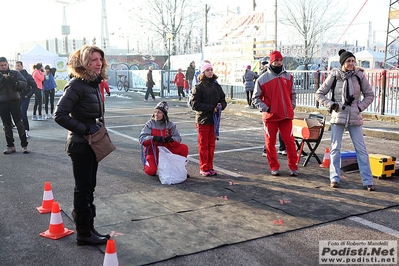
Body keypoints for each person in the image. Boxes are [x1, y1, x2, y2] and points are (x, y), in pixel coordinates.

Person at [54, 45, 110, 246]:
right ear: (84, 62)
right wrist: (86, 129)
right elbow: (59, 115)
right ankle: (84, 233)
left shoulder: (92, 84)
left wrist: (95, 127)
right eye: (94, 59)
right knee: (84, 189)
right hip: (80, 145)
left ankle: (87, 226)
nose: (98, 63)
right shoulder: (77, 85)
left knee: (88, 188)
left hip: (90, 144)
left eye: (100, 59)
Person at [315, 49, 375, 191]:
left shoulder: (359, 76)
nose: (351, 64)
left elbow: (369, 95)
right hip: (338, 115)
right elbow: (319, 93)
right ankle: (334, 178)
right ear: (342, 62)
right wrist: (332, 105)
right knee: (335, 148)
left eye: (353, 61)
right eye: (348, 61)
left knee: (361, 149)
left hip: (354, 115)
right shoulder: (335, 75)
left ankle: (368, 181)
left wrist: (359, 107)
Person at [252, 50, 298, 177]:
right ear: (271, 62)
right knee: (270, 143)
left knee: (289, 141)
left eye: (280, 60)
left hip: (286, 116)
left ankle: (293, 167)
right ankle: (274, 167)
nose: (278, 63)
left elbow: (293, 94)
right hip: (270, 117)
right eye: (275, 60)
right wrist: (266, 108)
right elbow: (255, 98)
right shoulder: (262, 79)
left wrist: (291, 106)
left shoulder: (289, 77)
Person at [190, 60, 227, 176]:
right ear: (203, 72)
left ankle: (210, 166)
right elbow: (195, 104)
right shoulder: (198, 87)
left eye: (211, 70)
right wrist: (211, 108)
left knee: (211, 144)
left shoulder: (217, 86)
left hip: (214, 120)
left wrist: (221, 105)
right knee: (203, 144)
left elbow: (223, 100)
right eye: (207, 70)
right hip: (203, 120)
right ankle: (203, 167)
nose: (210, 72)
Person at [139, 101, 189, 176]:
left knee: (183, 147)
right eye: (155, 112)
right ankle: (151, 164)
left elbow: (178, 138)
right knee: (150, 171)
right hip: (153, 152)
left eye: (159, 112)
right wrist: (153, 138)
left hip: (166, 151)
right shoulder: (149, 124)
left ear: (164, 114)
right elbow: (142, 139)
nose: (156, 114)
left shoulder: (170, 125)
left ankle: (180, 168)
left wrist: (171, 140)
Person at [0, 57, 29, 154]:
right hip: (2, 103)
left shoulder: (15, 73)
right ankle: (10, 146)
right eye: (1, 65)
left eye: (5, 65)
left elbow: (24, 83)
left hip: (14, 102)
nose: (4, 67)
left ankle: (24, 145)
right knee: (6, 125)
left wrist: (15, 82)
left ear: (8, 64)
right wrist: (1, 81)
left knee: (19, 123)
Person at [15, 61, 37, 138]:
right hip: (17, 98)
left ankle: (26, 130)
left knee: (23, 113)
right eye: (16, 66)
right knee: (18, 114)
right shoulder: (14, 76)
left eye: (18, 66)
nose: (17, 67)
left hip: (25, 97)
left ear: (22, 66)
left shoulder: (27, 76)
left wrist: (28, 95)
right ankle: (21, 130)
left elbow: (35, 86)